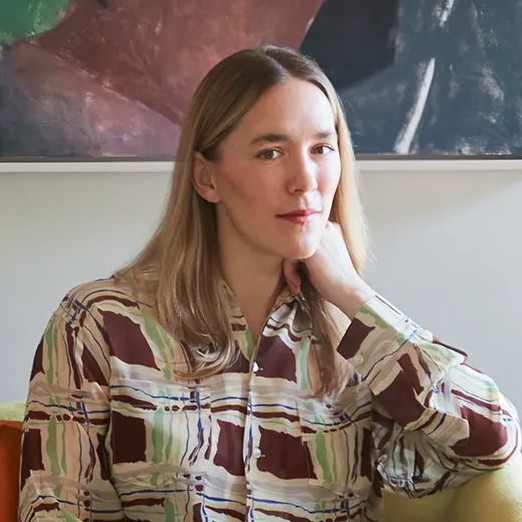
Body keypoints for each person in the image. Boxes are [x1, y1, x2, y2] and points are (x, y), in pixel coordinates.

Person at [18, 46, 520, 522]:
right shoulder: (100, 323)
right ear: (206, 179)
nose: (306, 180)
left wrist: (353, 295)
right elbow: (53, 509)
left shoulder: (365, 346)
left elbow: (492, 439)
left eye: (322, 148)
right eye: (270, 153)